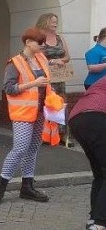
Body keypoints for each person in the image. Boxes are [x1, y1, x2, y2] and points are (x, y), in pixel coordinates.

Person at [0, 28, 54, 204]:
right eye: (39, 42)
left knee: (33, 149)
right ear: (28, 43)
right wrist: (33, 83)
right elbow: (9, 89)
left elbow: (47, 84)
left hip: (41, 111)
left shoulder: (42, 59)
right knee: (19, 150)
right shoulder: (14, 63)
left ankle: (27, 186)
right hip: (23, 114)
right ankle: (0, 188)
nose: (43, 45)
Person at [68, 76, 106, 230]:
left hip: (77, 117)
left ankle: (93, 219)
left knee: (100, 173)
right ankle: (99, 225)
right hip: (97, 117)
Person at [36, 13, 70, 145]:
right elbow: (34, 55)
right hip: (45, 78)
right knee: (46, 103)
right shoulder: (39, 37)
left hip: (59, 77)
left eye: (56, 21)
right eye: (52, 22)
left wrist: (60, 60)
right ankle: (44, 134)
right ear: (45, 22)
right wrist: (49, 62)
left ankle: (61, 134)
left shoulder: (60, 38)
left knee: (60, 104)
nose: (55, 24)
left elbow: (67, 57)